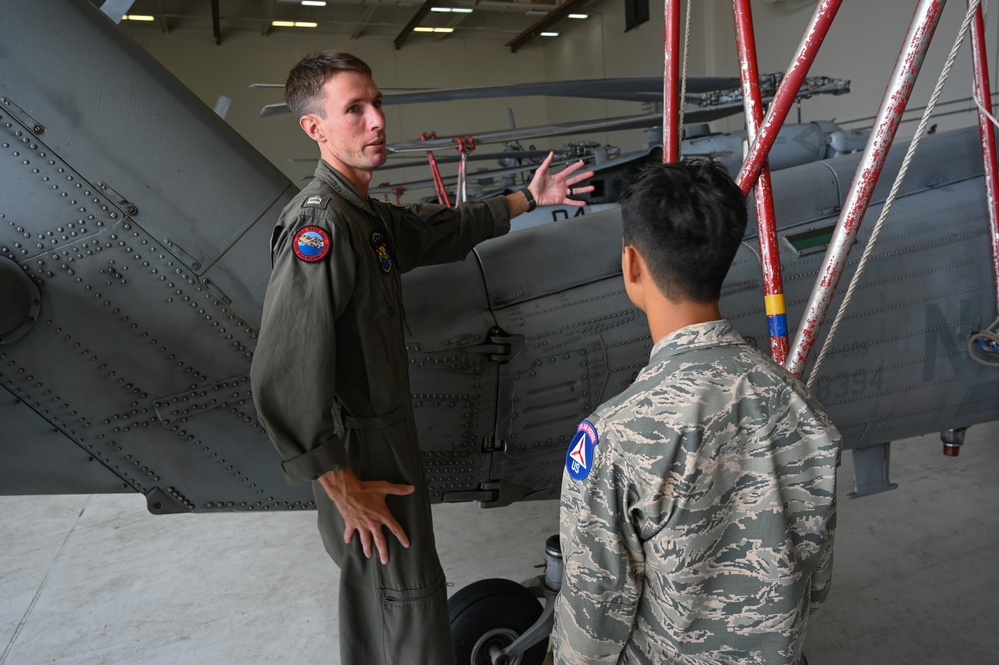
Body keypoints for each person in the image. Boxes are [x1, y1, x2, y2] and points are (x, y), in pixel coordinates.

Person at [249, 50, 593, 665]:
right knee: (401, 617)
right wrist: (341, 486)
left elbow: (438, 232)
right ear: (315, 128)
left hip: (387, 443)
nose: (377, 120)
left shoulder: (363, 215)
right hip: (362, 459)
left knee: (406, 606)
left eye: (377, 102)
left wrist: (526, 199)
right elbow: (281, 375)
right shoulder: (321, 226)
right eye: (354, 109)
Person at [551, 158, 840, 664]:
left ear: (632, 264)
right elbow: (813, 585)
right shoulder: (799, 404)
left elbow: (590, 628)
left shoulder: (614, 437)